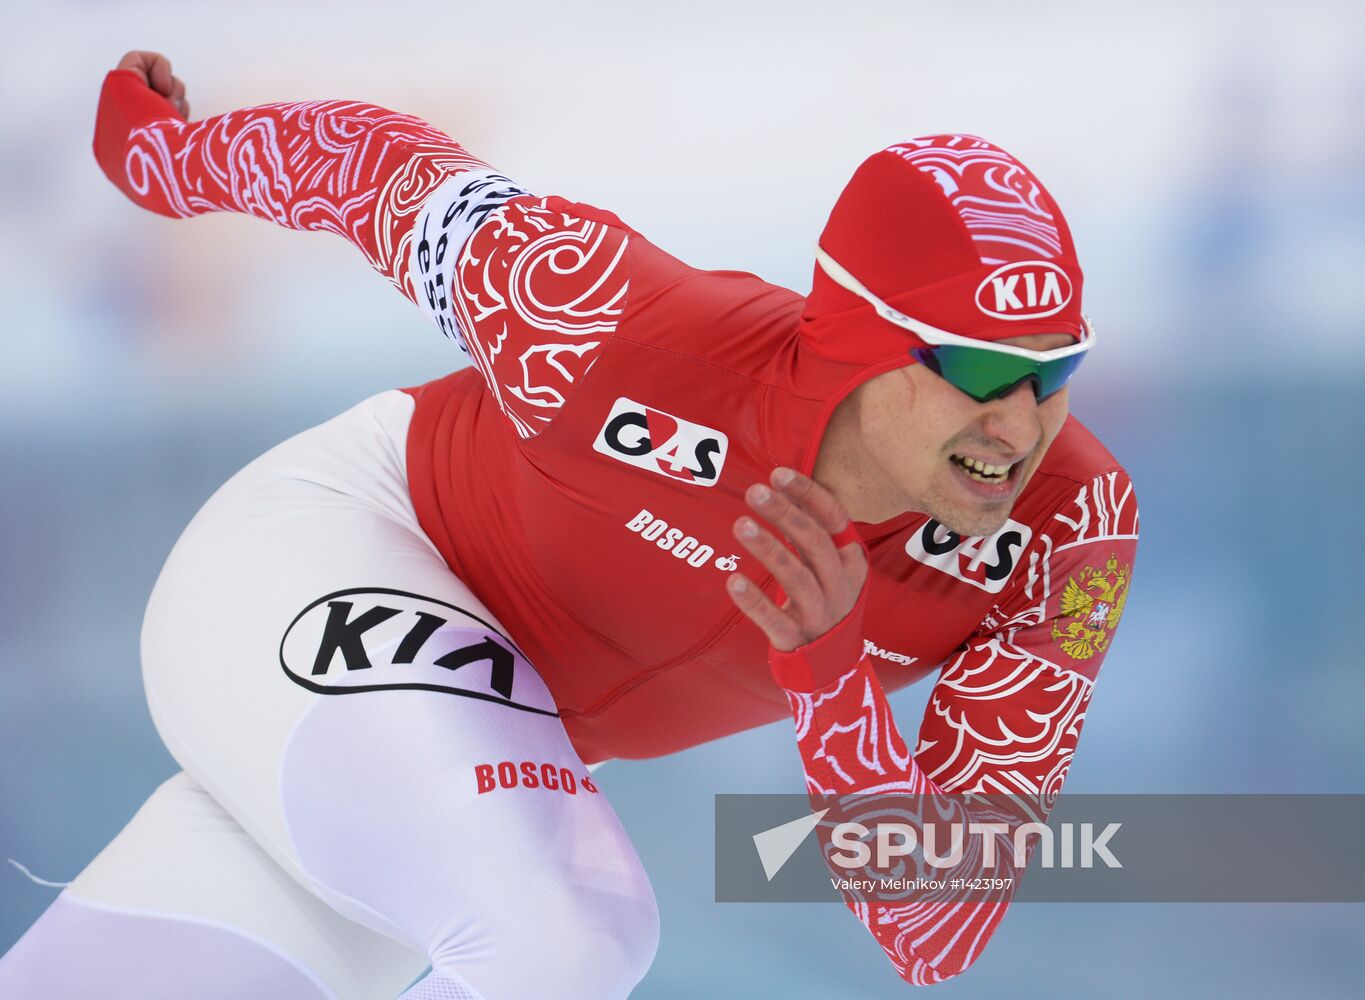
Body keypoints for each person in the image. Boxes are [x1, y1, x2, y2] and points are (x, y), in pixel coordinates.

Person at [0, 49, 1139, 999]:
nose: (1021, 423)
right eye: (982, 368)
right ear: (860, 338)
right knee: (571, 930)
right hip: (316, 551)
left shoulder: (1072, 531)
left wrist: (827, 665)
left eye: (1057, 369)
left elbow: (936, 927)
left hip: (469, 736)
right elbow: (382, 174)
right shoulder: (613, 322)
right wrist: (156, 158)